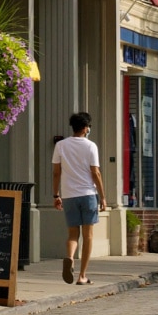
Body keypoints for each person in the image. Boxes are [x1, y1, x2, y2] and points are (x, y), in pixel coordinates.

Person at [52, 112, 107, 285]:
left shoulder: (60, 145)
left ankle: (69, 257)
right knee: (88, 236)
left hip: (69, 195)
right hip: (88, 195)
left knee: (72, 234)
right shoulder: (91, 146)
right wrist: (103, 197)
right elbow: (95, 173)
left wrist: (56, 195)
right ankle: (82, 275)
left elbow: (56, 172)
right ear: (85, 128)